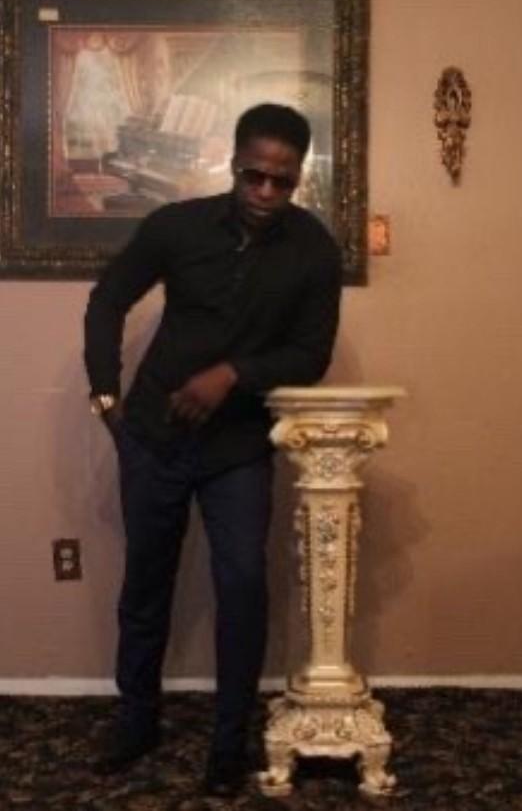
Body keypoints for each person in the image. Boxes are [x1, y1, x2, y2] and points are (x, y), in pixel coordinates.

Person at [84, 103, 343, 796]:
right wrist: (105, 397)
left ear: (298, 176)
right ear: (233, 164)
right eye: (254, 175)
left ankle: (228, 745)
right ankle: (136, 722)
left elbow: (311, 354)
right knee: (146, 585)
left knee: (243, 587)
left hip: (238, 447)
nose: (265, 191)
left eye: (282, 180)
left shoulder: (315, 250)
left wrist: (233, 374)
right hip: (153, 437)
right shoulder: (176, 226)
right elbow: (108, 300)